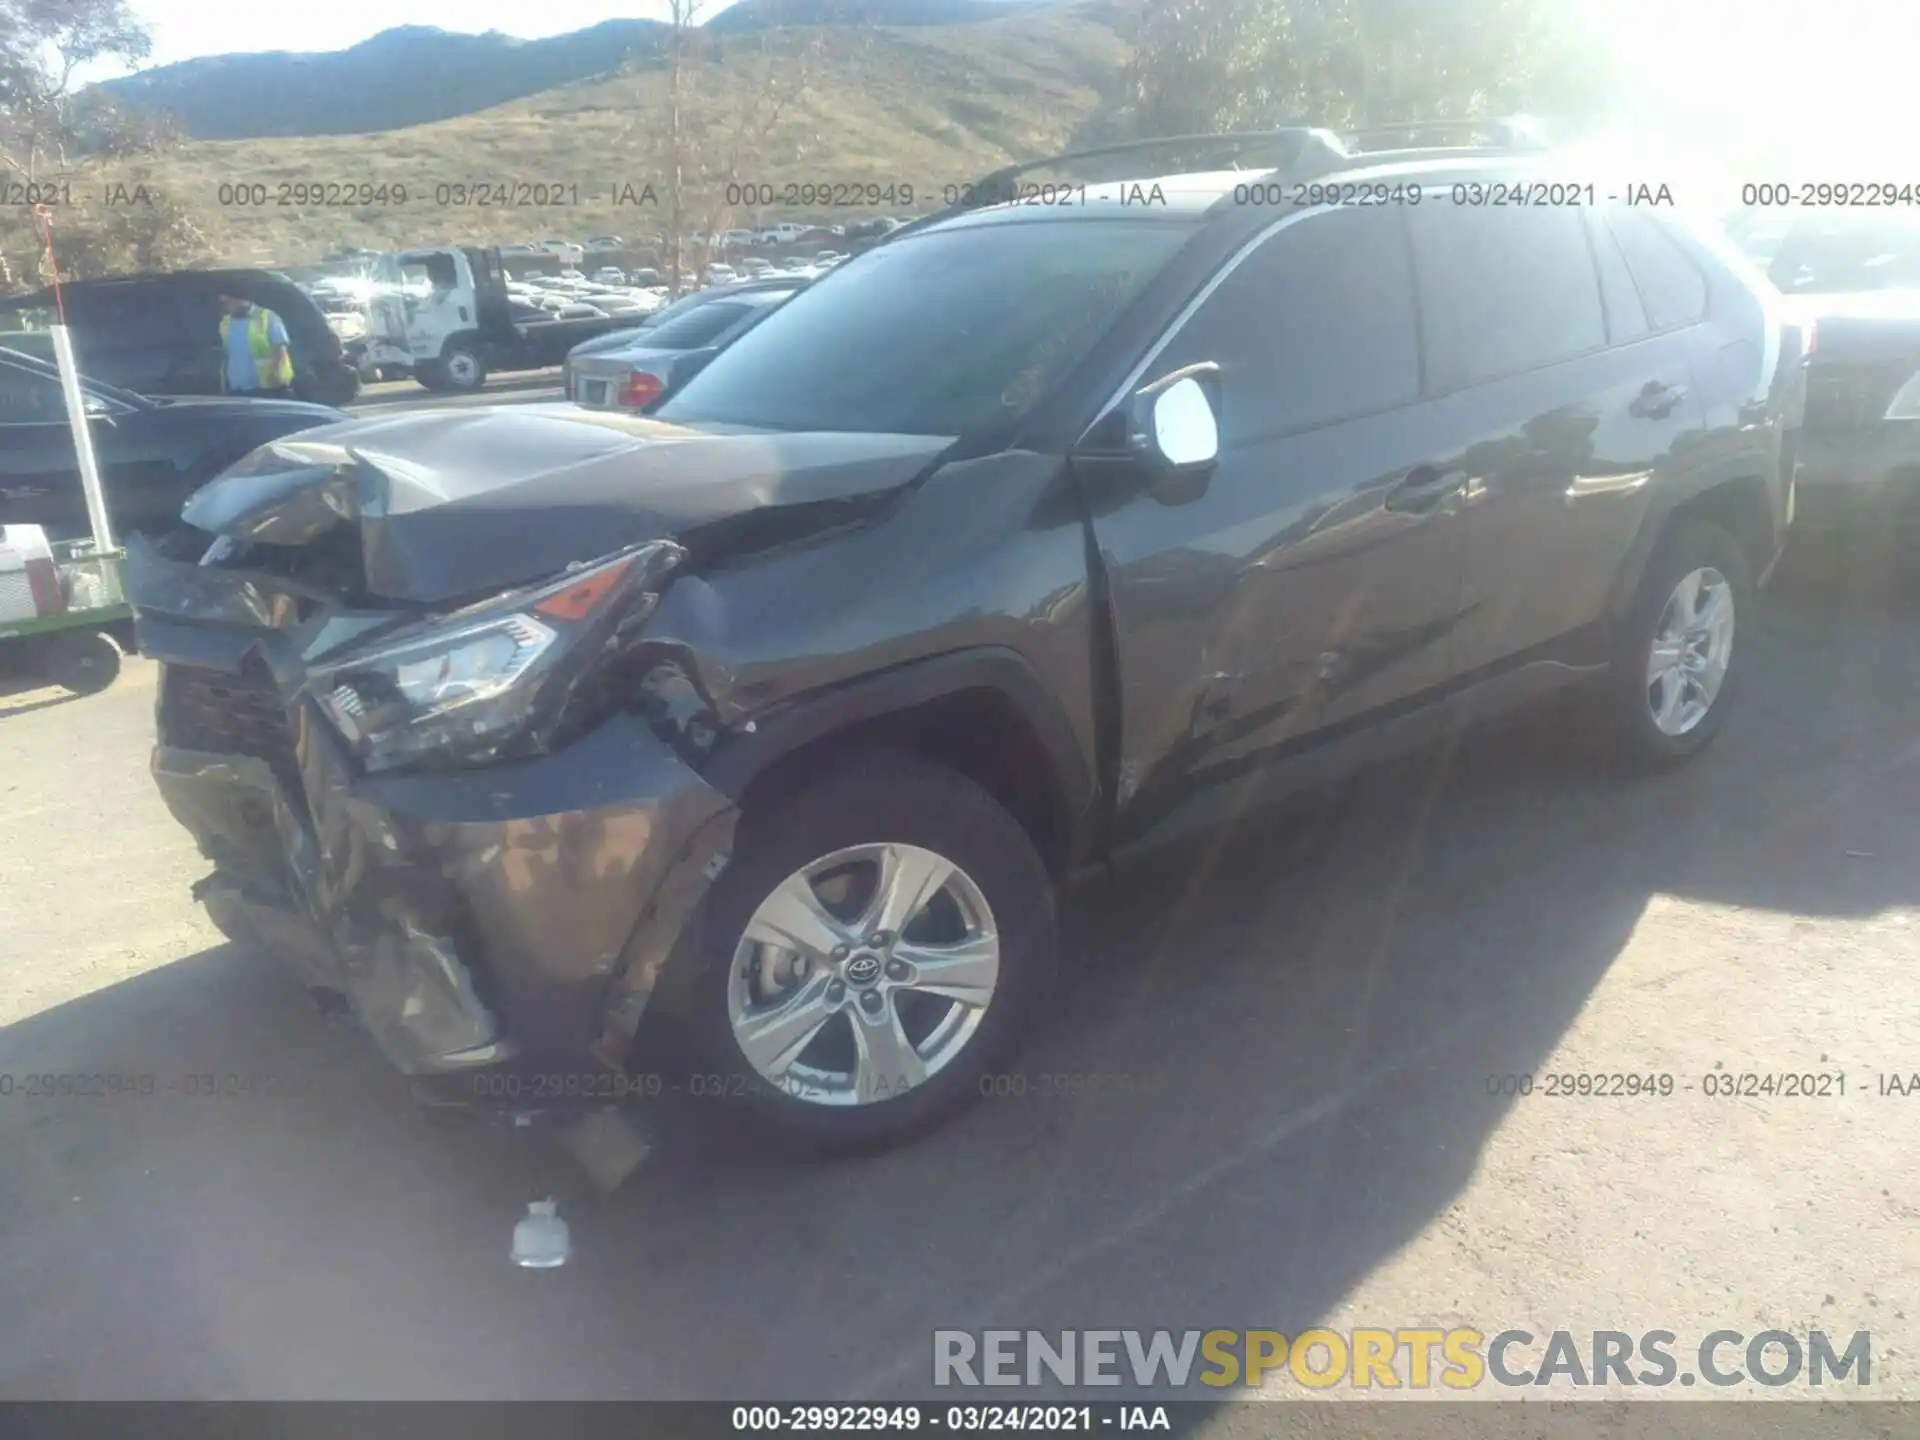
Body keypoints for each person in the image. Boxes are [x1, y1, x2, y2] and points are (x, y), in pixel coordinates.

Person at [218, 291, 295, 398]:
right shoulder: (226, 322)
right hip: (236, 388)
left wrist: (277, 375)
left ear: (240, 300)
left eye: (228, 302)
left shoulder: (267, 317)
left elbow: (280, 348)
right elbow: (227, 354)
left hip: (266, 387)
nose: (226, 306)